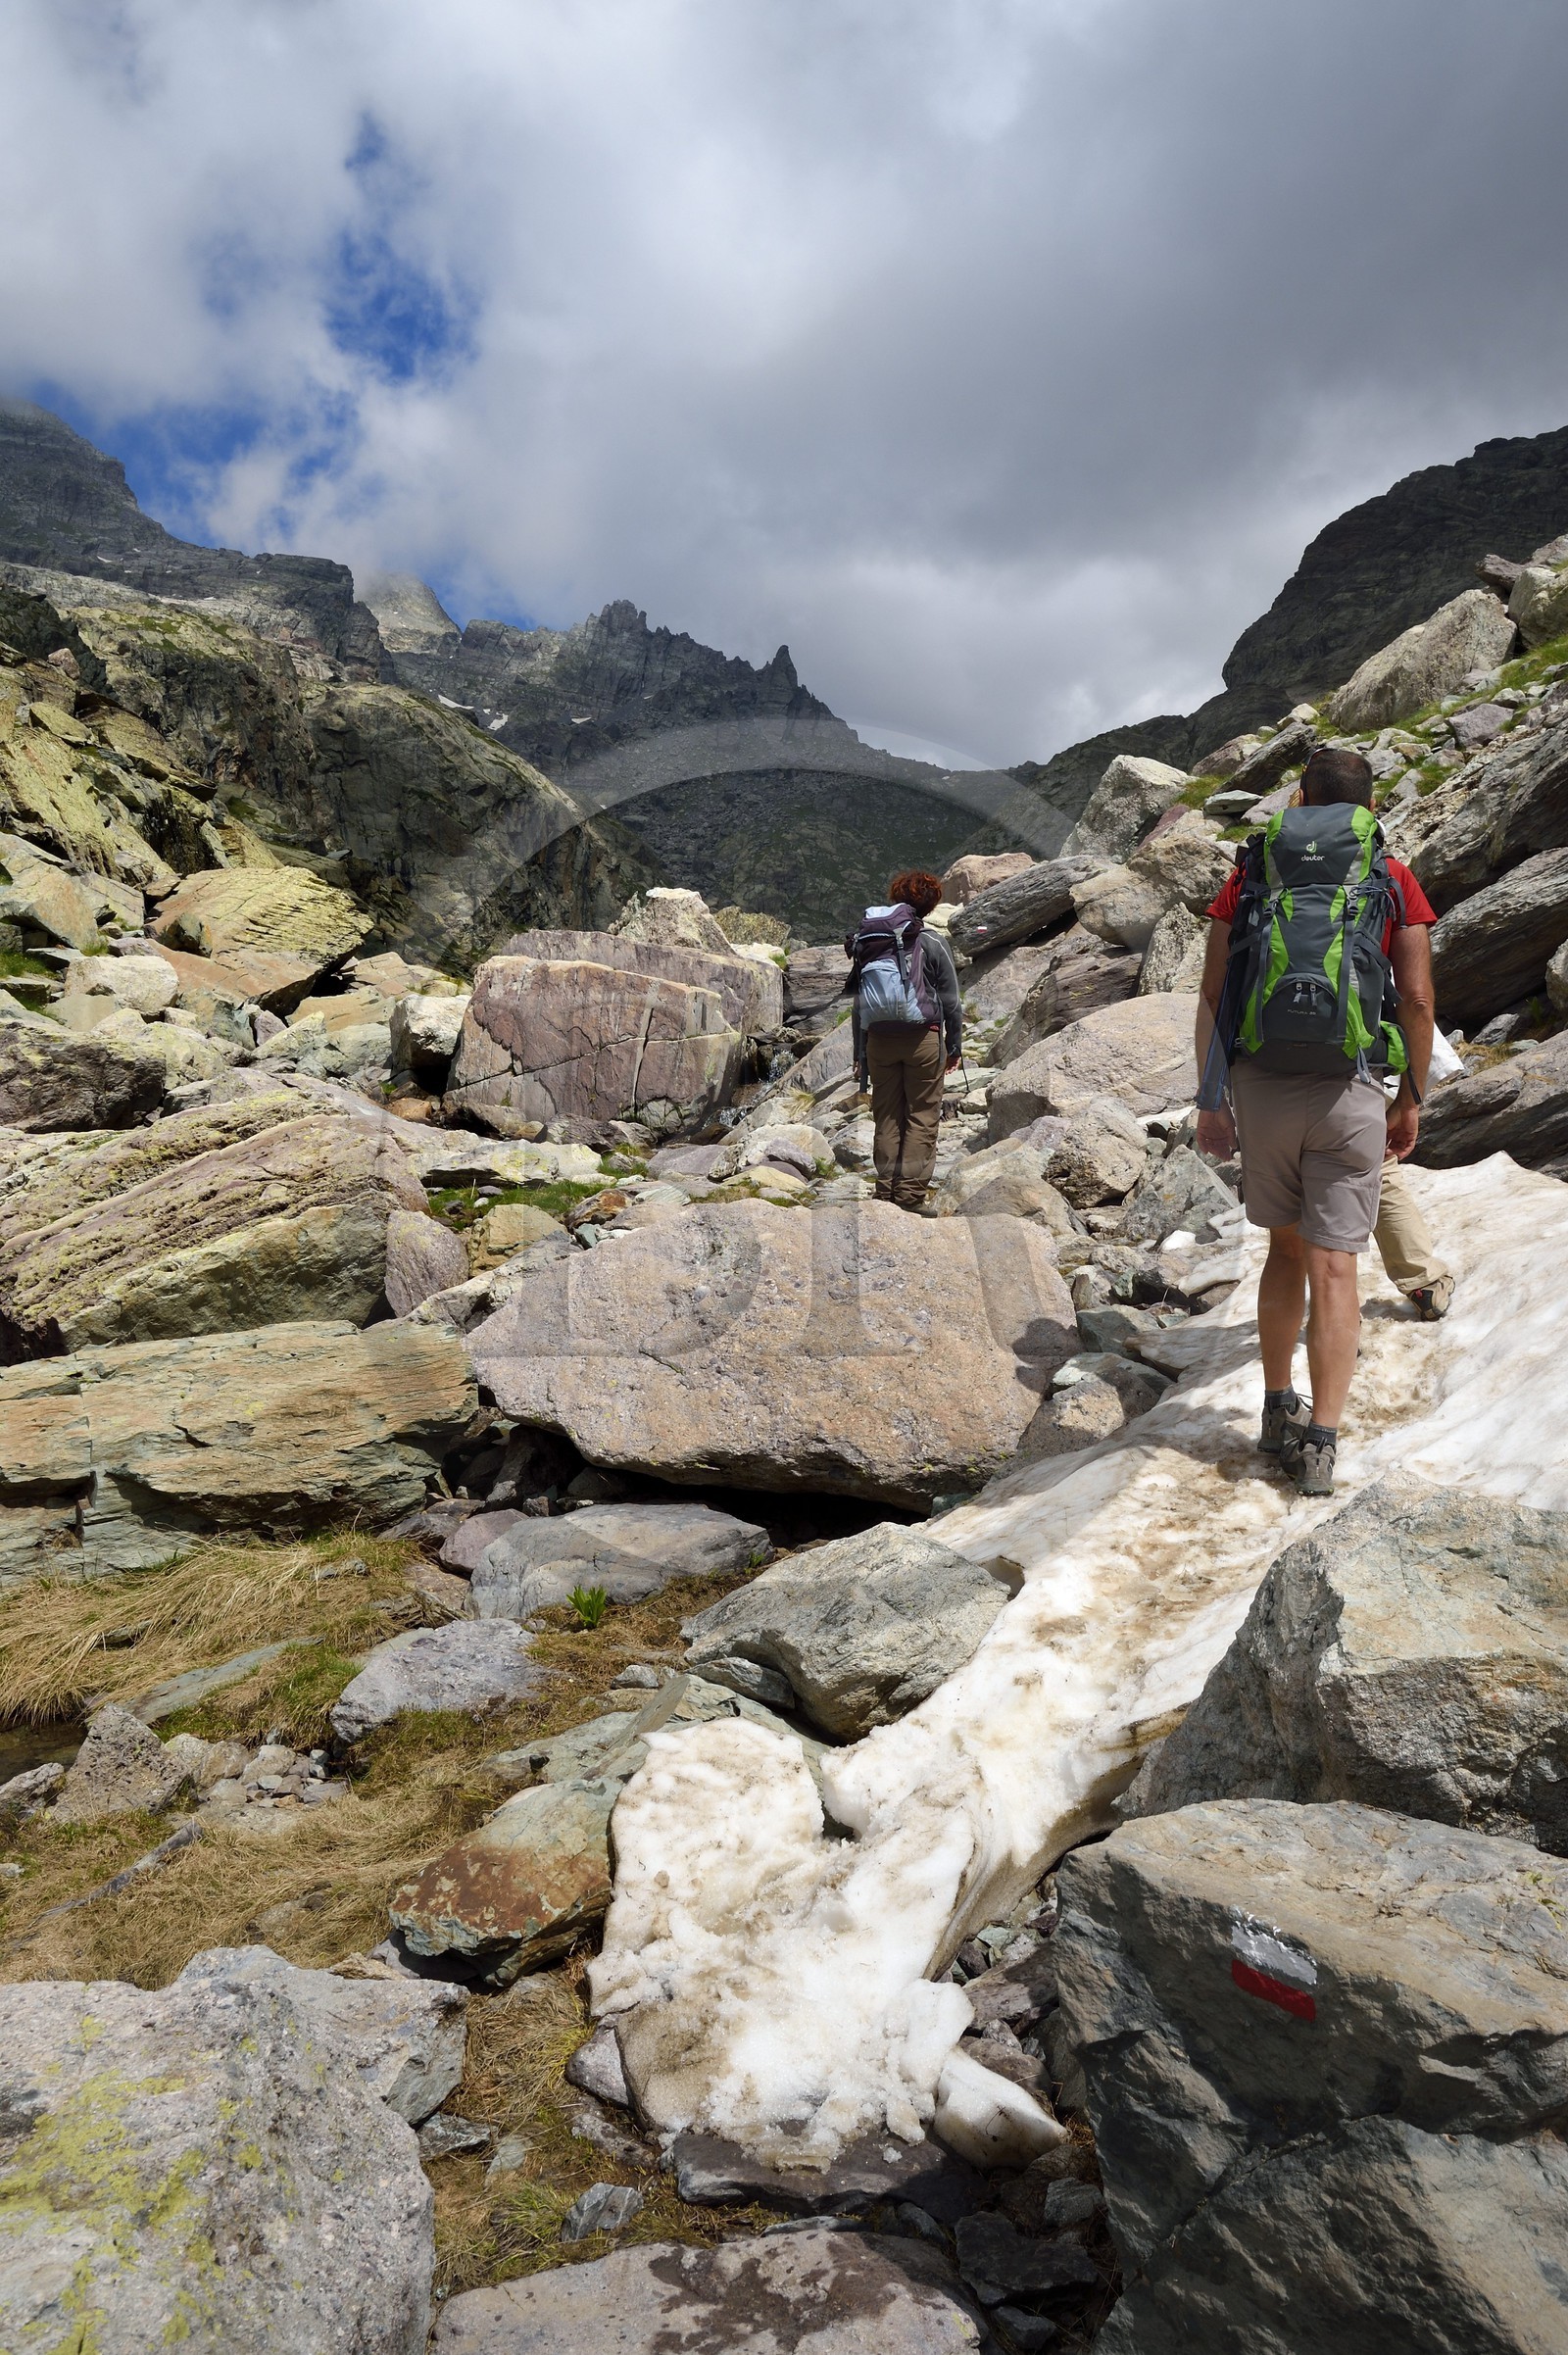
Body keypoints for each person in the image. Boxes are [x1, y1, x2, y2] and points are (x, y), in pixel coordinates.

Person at [1195, 746, 1438, 1495]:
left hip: (1262, 1084)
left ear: (1301, 796)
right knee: (1338, 1266)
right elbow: (1418, 1000)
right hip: (1351, 1087)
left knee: (1285, 1253)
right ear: (1367, 806)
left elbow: (1212, 994)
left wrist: (1211, 1099)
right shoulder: (1389, 875)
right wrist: (1411, 1097)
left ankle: (1274, 1412)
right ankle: (1322, 1443)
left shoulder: (1254, 869)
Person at [848, 868, 963, 1210]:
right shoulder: (931, 942)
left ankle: (884, 1193)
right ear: (929, 906)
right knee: (923, 1114)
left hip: (878, 1040)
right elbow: (951, 1000)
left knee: (886, 1116)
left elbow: (857, 1003)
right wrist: (954, 1045)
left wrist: (860, 1052)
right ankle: (910, 1196)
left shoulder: (870, 943)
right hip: (923, 1040)